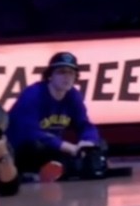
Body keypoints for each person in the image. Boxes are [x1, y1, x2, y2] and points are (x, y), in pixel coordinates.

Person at [6, 52, 108, 182]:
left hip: (52, 148)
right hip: (20, 149)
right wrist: (66, 146)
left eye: (71, 73)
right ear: (50, 76)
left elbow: (85, 125)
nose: (66, 77)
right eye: (61, 72)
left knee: (99, 144)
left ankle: (61, 169)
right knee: (36, 146)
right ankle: (30, 172)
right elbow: (29, 132)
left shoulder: (73, 95)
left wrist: (88, 141)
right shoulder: (33, 94)